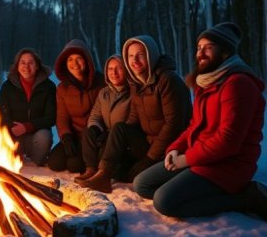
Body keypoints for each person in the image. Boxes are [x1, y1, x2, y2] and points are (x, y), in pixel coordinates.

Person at [133, 22, 267, 225]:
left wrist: (187, 160)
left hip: (228, 165)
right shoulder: (206, 82)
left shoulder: (238, 84)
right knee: (142, 184)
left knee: (164, 201)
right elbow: (194, 125)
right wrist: (176, 149)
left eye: (208, 47)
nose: (200, 53)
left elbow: (228, 141)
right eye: (198, 47)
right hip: (201, 158)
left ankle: (244, 199)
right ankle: (197, 190)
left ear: (225, 51)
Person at [80, 35, 191, 193]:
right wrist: (116, 138)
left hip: (170, 147)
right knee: (119, 132)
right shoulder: (137, 82)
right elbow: (133, 117)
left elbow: (173, 125)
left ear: (150, 55)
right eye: (131, 56)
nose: (135, 60)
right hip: (148, 142)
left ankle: (146, 171)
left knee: (131, 173)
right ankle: (103, 175)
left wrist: (149, 158)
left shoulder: (168, 80)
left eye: (140, 55)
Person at [47, 39, 105, 173]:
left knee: (75, 165)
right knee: (55, 162)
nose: (75, 64)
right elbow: (62, 117)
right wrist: (66, 137)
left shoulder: (100, 82)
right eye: (70, 60)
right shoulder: (62, 88)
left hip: (93, 136)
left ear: (87, 60)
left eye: (79, 58)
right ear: (65, 63)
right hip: (73, 136)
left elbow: (105, 113)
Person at [74, 55, 131, 183]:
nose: (114, 73)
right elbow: (95, 115)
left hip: (120, 139)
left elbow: (132, 120)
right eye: (110, 69)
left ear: (126, 70)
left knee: (107, 158)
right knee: (88, 131)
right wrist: (95, 130)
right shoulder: (104, 92)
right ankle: (90, 170)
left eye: (118, 68)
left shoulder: (132, 93)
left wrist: (108, 135)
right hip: (105, 134)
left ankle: (102, 174)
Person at [0, 48, 56, 166]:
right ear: (17, 65)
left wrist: (28, 126)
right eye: (22, 62)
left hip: (36, 136)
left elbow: (51, 117)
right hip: (14, 135)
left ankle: (37, 161)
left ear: (37, 66)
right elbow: (0, 114)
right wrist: (12, 129)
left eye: (31, 63)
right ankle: (14, 156)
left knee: (44, 136)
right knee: (1, 139)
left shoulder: (48, 87)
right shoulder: (8, 87)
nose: (26, 67)